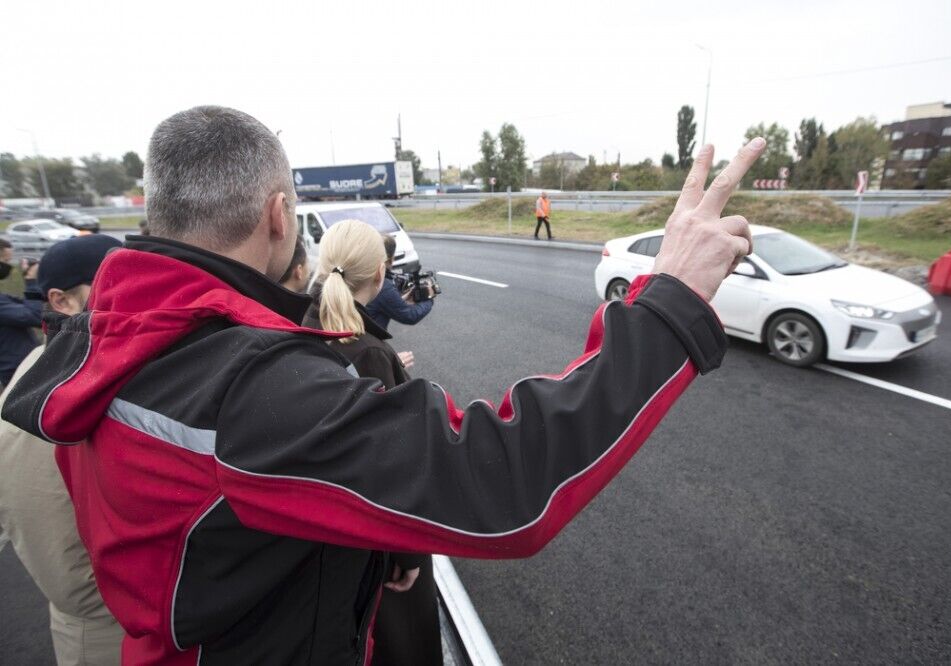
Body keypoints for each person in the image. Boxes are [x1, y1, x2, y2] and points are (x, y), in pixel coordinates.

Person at [1, 105, 761, 665]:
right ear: (277, 214)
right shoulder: (244, 388)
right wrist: (666, 308)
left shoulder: (105, 333)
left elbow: (239, 521)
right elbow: (500, 485)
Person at [302, 220, 441, 666]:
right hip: (370, 540)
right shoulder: (369, 353)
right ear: (380, 275)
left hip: (314, 525)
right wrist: (410, 550)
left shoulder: (296, 324)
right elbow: (392, 462)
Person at [0, 234, 125, 665]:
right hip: (108, 628)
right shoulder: (49, 395)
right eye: (113, 284)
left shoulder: (56, 366)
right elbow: (58, 552)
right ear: (61, 301)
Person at [364, 234, 434, 331]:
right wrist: (429, 298)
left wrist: (402, 299)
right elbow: (410, 316)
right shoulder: (382, 285)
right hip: (369, 340)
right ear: (392, 259)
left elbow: (380, 303)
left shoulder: (362, 275)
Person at [0, 238, 43, 387]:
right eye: (5, 261)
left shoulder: (3, 298)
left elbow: (28, 306)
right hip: (17, 374)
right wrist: (31, 280)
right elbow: (36, 316)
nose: (7, 266)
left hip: (22, 369)